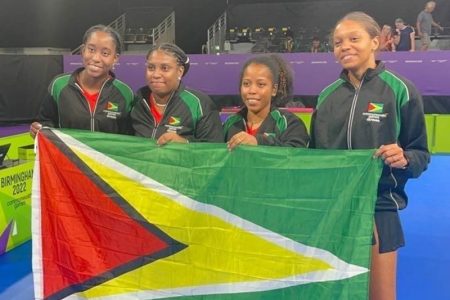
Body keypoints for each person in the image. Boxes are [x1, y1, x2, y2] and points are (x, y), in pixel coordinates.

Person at [310, 12, 429, 300]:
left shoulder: (400, 90)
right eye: (338, 42)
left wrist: (405, 158)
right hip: (334, 209)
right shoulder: (326, 96)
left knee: (380, 296)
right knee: (333, 293)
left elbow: (420, 153)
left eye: (354, 39)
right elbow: (312, 156)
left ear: (375, 42)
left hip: (379, 207)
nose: (345, 46)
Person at [30, 25, 135, 138]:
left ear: (115, 58)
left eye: (105, 53)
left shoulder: (125, 93)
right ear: (82, 50)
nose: (95, 58)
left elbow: (130, 138)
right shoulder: (59, 85)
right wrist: (38, 129)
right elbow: (46, 122)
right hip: (68, 156)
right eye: (91, 50)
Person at [131, 43, 223, 144]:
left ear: (180, 71)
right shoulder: (136, 102)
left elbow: (214, 150)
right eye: (151, 68)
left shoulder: (200, 104)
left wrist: (185, 143)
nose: (156, 74)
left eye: (165, 68)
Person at [223, 54, 309, 150]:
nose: (252, 90)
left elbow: (297, 155)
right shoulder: (230, 123)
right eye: (246, 84)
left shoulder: (289, 123)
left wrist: (259, 142)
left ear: (274, 89)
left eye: (261, 84)